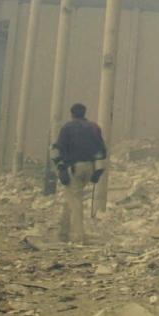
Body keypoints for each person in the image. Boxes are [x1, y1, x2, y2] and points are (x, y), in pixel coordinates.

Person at [51, 103, 107, 245]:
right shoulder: (94, 127)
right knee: (71, 197)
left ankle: (78, 236)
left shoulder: (68, 127)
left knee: (75, 201)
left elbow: (60, 148)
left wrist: (60, 166)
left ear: (72, 114)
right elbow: (102, 150)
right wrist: (97, 169)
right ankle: (63, 232)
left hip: (74, 167)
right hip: (90, 167)